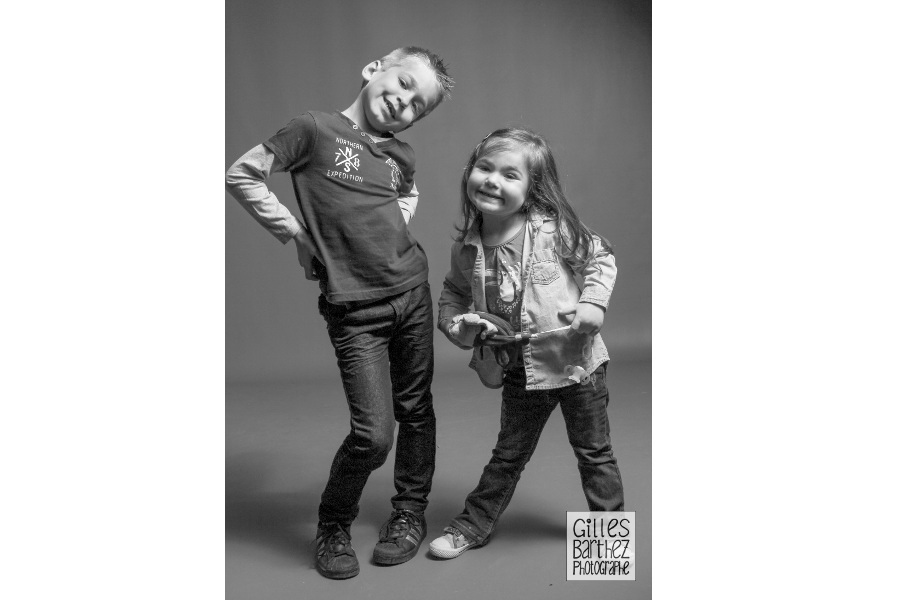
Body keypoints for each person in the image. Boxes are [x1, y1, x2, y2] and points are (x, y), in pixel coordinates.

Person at [225, 46, 453, 579]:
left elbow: (407, 194)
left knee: (416, 409)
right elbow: (241, 174)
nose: (403, 103)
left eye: (417, 104)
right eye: (401, 83)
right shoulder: (313, 129)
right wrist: (298, 235)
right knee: (374, 434)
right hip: (355, 308)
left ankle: (409, 513)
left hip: (411, 292)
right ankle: (333, 523)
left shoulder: (402, 154)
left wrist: (388, 227)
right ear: (374, 68)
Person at [428, 127, 624, 559]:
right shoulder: (468, 248)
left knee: (595, 454)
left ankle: (606, 547)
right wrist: (457, 326)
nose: (492, 180)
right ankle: (470, 527)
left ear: (532, 188)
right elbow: (451, 296)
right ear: (470, 174)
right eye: (484, 168)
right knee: (508, 455)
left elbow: (601, 258)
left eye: (509, 174)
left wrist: (593, 303)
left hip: (577, 364)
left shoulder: (554, 231)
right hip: (520, 370)